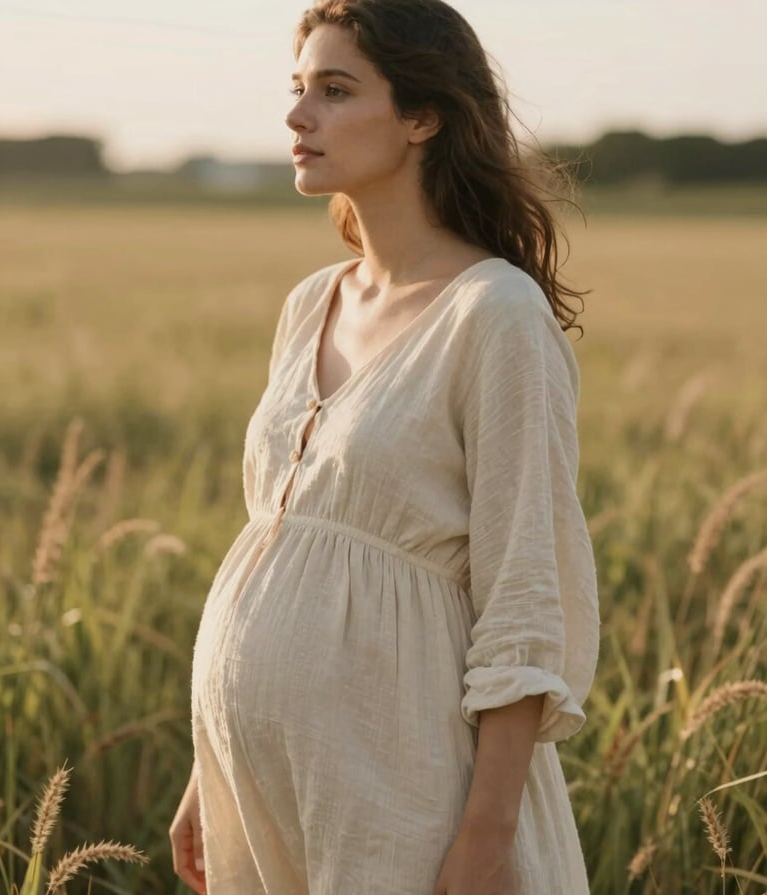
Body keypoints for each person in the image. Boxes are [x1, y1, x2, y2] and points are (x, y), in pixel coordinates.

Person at [170, 1, 600, 893]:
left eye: (334, 91)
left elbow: (524, 595)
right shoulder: (310, 302)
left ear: (421, 115)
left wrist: (485, 839)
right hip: (269, 790)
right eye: (297, 89)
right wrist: (204, 769)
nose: (297, 116)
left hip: (403, 785)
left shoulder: (496, 315)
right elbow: (279, 543)